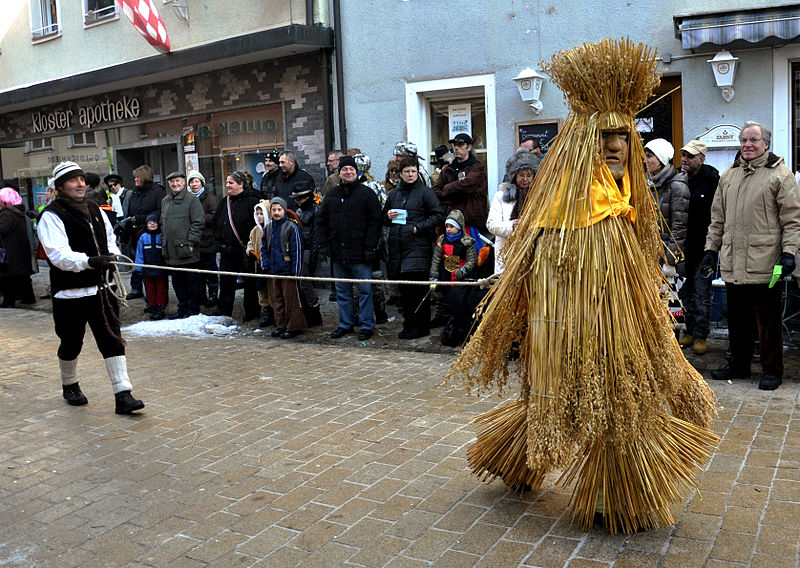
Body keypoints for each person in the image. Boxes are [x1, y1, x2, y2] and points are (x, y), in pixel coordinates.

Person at [446, 39, 717, 532]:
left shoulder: (622, 204)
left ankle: (579, 480)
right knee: (566, 399)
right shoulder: (564, 217)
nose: (616, 147)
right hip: (571, 329)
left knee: (597, 403)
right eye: (604, 138)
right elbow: (540, 276)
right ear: (579, 145)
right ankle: (582, 481)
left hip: (611, 329)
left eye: (623, 137)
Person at [37, 161, 144, 414]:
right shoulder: (51, 215)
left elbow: (109, 239)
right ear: (61, 186)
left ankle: (123, 394)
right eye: (74, 180)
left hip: (102, 289)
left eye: (82, 179)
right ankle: (69, 384)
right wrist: (88, 261)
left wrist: (113, 255)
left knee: (112, 340)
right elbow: (58, 254)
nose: (81, 184)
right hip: (70, 292)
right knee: (71, 343)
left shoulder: (95, 209)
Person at [702, 121, 800, 391]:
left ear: (766, 144)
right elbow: (717, 220)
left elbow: (792, 220)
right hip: (734, 262)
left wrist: (789, 253)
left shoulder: (780, 175)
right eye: (744, 140)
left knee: (768, 322)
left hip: (767, 263)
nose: (747, 145)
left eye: (753, 140)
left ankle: (772, 370)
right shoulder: (729, 176)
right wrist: (711, 251)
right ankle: (739, 365)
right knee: (738, 320)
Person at [316, 156, 382, 341]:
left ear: (357, 171)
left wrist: (371, 247)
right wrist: (324, 245)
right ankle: (346, 324)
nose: (348, 172)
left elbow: (375, 222)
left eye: (351, 169)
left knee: (365, 291)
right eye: (344, 169)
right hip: (338, 253)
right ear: (340, 173)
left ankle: (367, 325)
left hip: (361, 253)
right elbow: (321, 221)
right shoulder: (332, 195)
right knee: (342, 292)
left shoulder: (366, 194)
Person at [384, 156, 443, 339]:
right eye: (407, 171)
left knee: (418, 291)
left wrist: (419, 228)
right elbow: (384, 218)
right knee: (405, 293)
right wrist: (388, 215)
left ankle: (420, 327)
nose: (410, 175)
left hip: (418, 247)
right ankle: (409, 324)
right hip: (398, 248)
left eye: (413, 171)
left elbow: (437, 215)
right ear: (400, 174)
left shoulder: (425, 192)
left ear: (417, 173)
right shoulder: (394, 194)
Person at [677, 140, 720, 355]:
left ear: (702, 159)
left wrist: (713, 247)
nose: (685, 159)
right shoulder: (679, 178)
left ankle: (701, 335)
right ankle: (689, 330)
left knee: (702, 293)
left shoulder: (712, 181)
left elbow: (719, 215)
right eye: (683, 155)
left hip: (705, 247)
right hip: (683, 247)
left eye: (690, 156)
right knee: (685, 292)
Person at [213, 171, 262, 321]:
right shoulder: (224, 202)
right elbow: (216, 224)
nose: (227, 185)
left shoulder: (252, 201)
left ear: (241, 184)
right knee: (227, 281)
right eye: (227, 182)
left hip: (246, 250)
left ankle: (252, 311)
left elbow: (258, 225)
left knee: (250, 283)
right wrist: (220, 244)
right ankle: (223, 309)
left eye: (231, 183)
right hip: (227, 249)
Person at [161, 171, 205, 319]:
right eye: (172, 181)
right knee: (177, 283)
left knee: (192, 283)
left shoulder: (192, 200)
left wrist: (191, 243)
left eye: (178, 181)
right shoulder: (165, 201)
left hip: (187, 251)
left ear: (183, 182)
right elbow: (163, 224)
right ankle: (182, 308)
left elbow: (198, 223)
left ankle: (192, 311)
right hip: (171, 251)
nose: (175, 184)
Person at [430, 210, 477, 345]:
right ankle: (446, 331)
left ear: (459, 227)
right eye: (447, 227)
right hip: (445, 279)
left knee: (460, 307)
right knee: (446, 305)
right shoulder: (441, 240)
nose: (449, 229)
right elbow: (436, 259)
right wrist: (433, 275)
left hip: (460, 281)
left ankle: (461, 333)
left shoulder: (467, 242)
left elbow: (471, 261)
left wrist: (463, 271)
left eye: (452, 226)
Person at [261, 197, 307, 339]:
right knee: (278, 299)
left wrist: (296, 271)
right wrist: (265, 262)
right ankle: (281, 324)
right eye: (273, 210)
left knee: (290, 299)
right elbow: (264, 247)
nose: (276, 212)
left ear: (284, 210)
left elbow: (297, 251)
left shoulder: (291, 227)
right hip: (275, 270)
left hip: (288, 270)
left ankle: (294, 326)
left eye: (279, 210)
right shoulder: (268, 228)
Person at [487, 149, 539, 273]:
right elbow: (491, 225)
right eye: (521, 175)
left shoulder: (539, 198)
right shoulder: (501, 197)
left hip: (533, 255)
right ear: (514, 176)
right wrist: (512, 225)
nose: (525, 179)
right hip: (506, 255)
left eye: (529, 175)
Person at [643, 138, 689, 273]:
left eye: (650, 156)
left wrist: (670, 261)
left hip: (664, 258)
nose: (645, 160)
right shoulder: (646, 183)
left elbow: (679, 228)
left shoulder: (677, 187)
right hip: (648, 253)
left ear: (661, 159)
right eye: (645, 156)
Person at [124, 165, 165, 300]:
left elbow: (160, 212)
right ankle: (136, 288)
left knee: (150, 264)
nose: (135, 180)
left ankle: (152, 294)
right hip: (135, 232)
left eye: (137, 177)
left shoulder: (158, 192)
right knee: (137, 261)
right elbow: (129, 213)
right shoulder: (134, 193)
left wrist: (141, 219)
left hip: (151, 233)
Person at [432, 133, 489, 232]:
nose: (456, 148)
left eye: (460, 145)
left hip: (469, 221)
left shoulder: (476, 167)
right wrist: (448, 194)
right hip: (449, 221)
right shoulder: (448, 169)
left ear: (469, 147)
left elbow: (467, 184)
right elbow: (435, 190)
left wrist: (447, 189)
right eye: (455, 145)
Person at [187, 170, 220, 308]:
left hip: (208, 239)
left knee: (210, 269)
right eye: (192, 182)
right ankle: (201, 295)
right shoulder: (188, 198)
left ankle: (213, 295)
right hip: (194, 241)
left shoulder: (211, 198)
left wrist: (197, 218)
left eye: (196, 181)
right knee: (198, 270)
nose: (194, 184)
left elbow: (214, 216)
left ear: (202, 183)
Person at [290, 187, 322, 326]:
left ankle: (314, 316)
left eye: (300, 198)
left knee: (305, 284)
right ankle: (307, 316)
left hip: (309, 250)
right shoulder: (298, 211)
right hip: (300, 248)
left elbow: (316, 235)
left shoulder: (315, 211)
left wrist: (313, 255)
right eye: (296, 199)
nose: (297, 202)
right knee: (300, 285)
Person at [0, 187, 35, 307]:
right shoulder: (18, 212)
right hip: (20, 249)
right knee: (23, 276)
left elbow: (2, 229)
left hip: (11, 251)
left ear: (4, 201)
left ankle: (8, 302)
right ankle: (28, 298)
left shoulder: (6, 213)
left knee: (7, 277)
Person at [134, 213, 168, 320]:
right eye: (149, 223)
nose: (152, 224)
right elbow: (139, 253)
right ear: (146, 225)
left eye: (154, 222)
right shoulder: (143, 238)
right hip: (147, 269)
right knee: (149, 288)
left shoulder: (162, 236)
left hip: (160, 268)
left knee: (161, 287)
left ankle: (160, 307)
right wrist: (138, 267)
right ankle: (152, 305)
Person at [247, 200, 275, 328]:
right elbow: (250, 243)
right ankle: (267, 312)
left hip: (271, 265)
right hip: (259, 265)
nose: (259, 216)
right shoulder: (255, 230)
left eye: (262, 214)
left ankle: (276, 313)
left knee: (273, 289)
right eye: (257, 214)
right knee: (262, 290)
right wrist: (251, 251)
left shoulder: (272, 228)